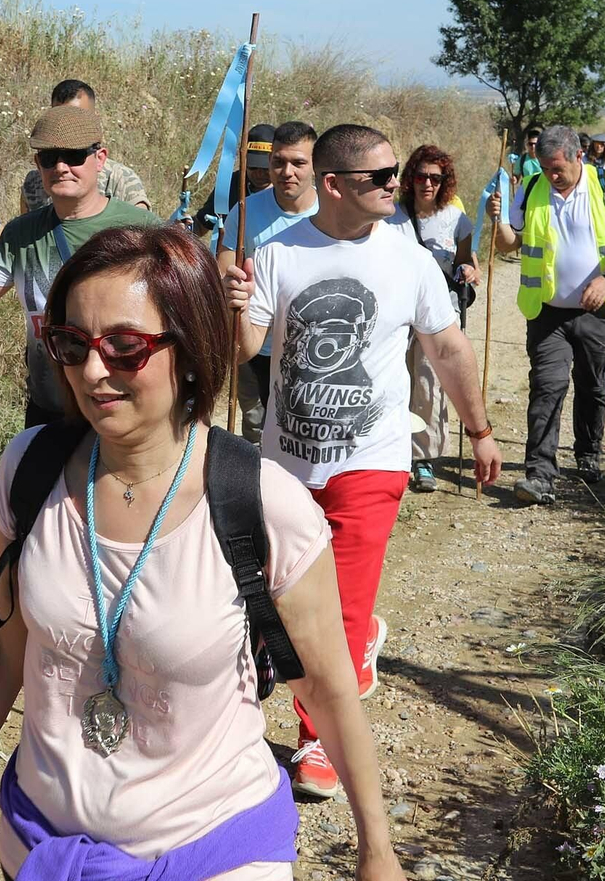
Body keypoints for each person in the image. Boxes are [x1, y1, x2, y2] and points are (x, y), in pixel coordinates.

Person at [0, 226, 405, 881]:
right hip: (40, 846)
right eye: (72, 344)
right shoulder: (30, 469)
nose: (92, 371)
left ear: (190, 347)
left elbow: (325, 687)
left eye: (125, 346)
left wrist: (376, 850)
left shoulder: (265, 506)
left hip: (217, 853)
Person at [224, 124, 502, 798]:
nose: (393, 185)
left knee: (338, 608)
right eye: (378, 177)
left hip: (370, 460)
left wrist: (480, 429)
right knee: (282, 600)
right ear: (333, 185)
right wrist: (232, 305)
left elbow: (448, 348)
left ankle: (317, 738)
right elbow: (244, 351)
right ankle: (334, 664)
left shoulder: (408, 258)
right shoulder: (276, 253)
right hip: (286, 464)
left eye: (393, 173)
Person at [0, 104, 162, 428]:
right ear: (38, 164)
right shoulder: (22, 233)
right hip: (49, 412)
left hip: (121, 414)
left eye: (74, 155)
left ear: (100, 158)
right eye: (49, 158)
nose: (62, 167)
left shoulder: (144, 231)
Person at [486, 126, 605, 505]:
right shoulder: (534, 187)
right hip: (547, 312)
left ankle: (588, 452)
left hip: (598, 312)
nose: (552, 176)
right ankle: (539, 473)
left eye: (558, 168)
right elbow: (511, 244)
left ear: (578, 157)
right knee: (547, 386)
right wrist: (500, 219)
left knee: (591, 385)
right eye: (545, 167)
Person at [216, 121, 318, 445]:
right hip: (258, 345)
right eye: (279, 162)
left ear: (315, 166)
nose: (287, 171)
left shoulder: (331, 212)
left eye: (298, 163)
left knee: (304, 430)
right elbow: (224, 268)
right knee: (259, 428)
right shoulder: (245, 211)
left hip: (311, 347)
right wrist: (231, 286)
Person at [386, 145, 479, 493]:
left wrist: (469, 270)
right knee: (395, 383)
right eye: (422, 176)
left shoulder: (457, 221)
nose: (428, 183)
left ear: (445, 182)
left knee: (428, 385)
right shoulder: (389, 217)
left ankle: (423, 460)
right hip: (397, 313)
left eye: (435, 178)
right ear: (410, 178)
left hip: (438, 315)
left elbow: (468, 263)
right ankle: (393, 453)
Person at [0, 80, 151, 239]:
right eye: (60, 117)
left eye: (77, 117)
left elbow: (144, 245)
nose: (68, 126)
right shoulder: (35, 183)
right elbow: (26, 250)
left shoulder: (121, 179)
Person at [195, 123, 276, 238]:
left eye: (265, 168)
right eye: (253, 166)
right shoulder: (229, 185)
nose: (259, 173)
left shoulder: (285, 191)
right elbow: (201, 225)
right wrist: (184, 229)